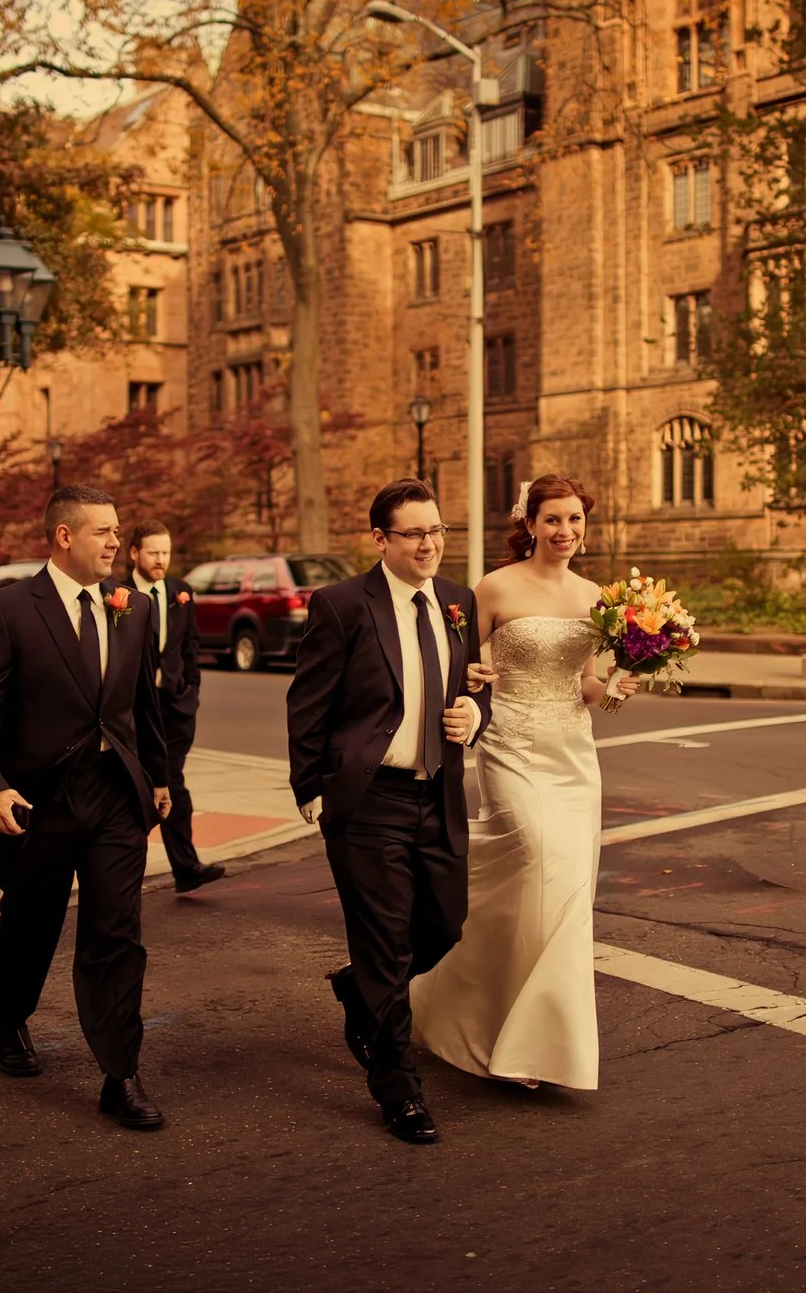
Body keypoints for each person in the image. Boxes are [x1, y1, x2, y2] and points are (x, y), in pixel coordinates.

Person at [0, 485, 175, 1131]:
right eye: (103, 531)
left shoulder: (132, 609)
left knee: (116, 934)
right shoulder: (7, 609)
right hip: (37, 800)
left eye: (116, 530)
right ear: (63, 537)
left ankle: (120, 1073)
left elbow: (141, 706)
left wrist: (158, 777)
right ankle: (11, 1015)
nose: (115, 541)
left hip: (114, 798)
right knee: (29, 924)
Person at [411, 475, 635, 1094]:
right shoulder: (496, 586)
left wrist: (614, 690)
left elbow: (586, 686)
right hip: (510, 744)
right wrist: (471, 681)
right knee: (537, 861)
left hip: (573, 754)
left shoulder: (597, 597)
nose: (566, 531)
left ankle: (536, 1041)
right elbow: (453, 663)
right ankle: (489, 1017)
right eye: (553, 520)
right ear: (530, 523)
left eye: (575, 521)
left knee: (565, 886)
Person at [286, 478, 493, 1145]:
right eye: (415, 533)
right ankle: (398, 1087)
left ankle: (359, 987)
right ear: (381, 539)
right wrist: (311, 785)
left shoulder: (458, 601)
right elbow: (308, 702)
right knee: (385, 940)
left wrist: (474, 714)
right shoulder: (343, 605)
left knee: (446, 922)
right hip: (369, 798)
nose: (431, 543)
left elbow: (469, 690)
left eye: (438, 530)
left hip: (437, 789)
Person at [110, 521, 224, 894]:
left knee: (172, 785)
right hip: (131, 711)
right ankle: (131, 872)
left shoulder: (180, 592)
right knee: (137, 789)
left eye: (166, 553)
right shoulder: (116, 594)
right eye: (153, 553)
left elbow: (190, 647)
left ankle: (186, 868)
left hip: (174, 708)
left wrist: (190, 691)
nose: (161, 560)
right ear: (134, 554)